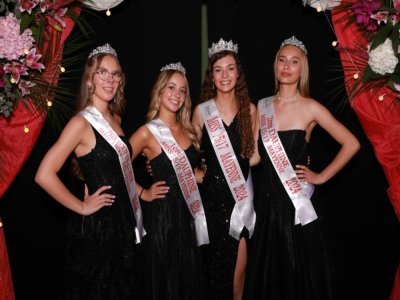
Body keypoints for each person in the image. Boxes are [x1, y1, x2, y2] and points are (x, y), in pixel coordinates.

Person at [35, 43, 161, 299]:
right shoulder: (80, 123)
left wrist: (143, 192)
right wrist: (81, 207)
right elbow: (44, 174)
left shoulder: (116, 120)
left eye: (115, 74)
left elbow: (118, 173)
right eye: (102, 72)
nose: (110, 79)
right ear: (90, 80)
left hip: (124, 225)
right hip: (99, 230)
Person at [244, 36, 361, 300]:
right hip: (268, 208)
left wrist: (320, 176)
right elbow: (253, 158)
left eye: (293, 61)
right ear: (275, 66)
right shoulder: (262, 107)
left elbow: (351, 143)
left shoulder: (310, 108)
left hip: (299, 208)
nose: (286, 66)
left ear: (302, 68)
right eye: (282, 60)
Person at [128, 62, 207, 300]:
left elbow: (194, 174)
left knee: (188, 282)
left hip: (189, 216)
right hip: (163, 220)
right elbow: (116, 168)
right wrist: (143, 192)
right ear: (160, 91)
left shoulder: (189, 129)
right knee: (165, 283)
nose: (177, 95)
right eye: (171, 88)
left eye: (182, 90)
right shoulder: (147, 132)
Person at [191, 38, 257, 300]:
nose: (225, 75)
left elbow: (254, 158)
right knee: (210, 277)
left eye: (230, 68)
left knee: (236, 283)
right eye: (218, 69)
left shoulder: (249, 111)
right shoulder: (201, 112)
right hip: (209, 203)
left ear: (238, 72)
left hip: (239, 202)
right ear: (212, 75)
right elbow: (188, 153)